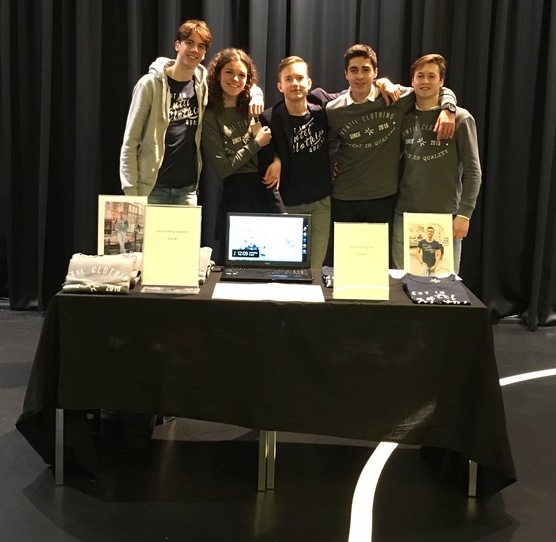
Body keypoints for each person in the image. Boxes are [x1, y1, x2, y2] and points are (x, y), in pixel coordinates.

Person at [324, 44, 457, 264]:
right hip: (344, 198)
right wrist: (331, 165)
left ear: (375, 72)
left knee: (377, 265)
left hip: (383, 198)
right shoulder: (334, 109)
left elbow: (434, 89)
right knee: (347, 264)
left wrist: (448, 109)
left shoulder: (395, 98)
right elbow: (328, 143)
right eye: (354, 70)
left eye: (366, 69)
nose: (360, 76)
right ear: (346, 73)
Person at [119, 20, 264, 205]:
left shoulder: (203, 85)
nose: (195, 49)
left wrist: (256, 93)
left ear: (204, 53)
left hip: (186, 191)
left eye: (201, 46)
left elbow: (236, 82)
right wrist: (131, 192)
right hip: (152, 189)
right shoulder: (150, 85)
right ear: (177, 45)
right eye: (189, 42)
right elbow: (130, 142)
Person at [392, 54, 482, 274]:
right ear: (412, 81)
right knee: (402, 282)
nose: (425, 81)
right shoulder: (404, 117)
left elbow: (473, 172)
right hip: (406, 214)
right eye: (420, 76)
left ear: (441, 81)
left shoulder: (460, 119)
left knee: (444, 286)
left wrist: (464, 215)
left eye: (431, 76)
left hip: (445, 217)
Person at [201, 48, 284, 253]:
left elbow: (272, 143)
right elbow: (223, 168)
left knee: (275, 253)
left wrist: (277, 161)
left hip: (265, 188)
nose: (235, 79)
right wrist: (255, 144)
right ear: (218, 74)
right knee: (238, 255)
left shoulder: (252, 105)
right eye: (229, 72)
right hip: (237, 193)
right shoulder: (210, 115)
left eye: (242, 75)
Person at [259, 56, 332, 268]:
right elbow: (267, 174)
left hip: (320, 204)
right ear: (280, 86)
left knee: (315, 268)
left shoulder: (322, 108)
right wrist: (281, 213)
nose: (295, 83)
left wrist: (382, 83)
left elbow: (353, 94)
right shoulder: (269, 118)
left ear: (309, 83)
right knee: (287, 269)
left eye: (300, 78)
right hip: (288, 205)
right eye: (288, 79)